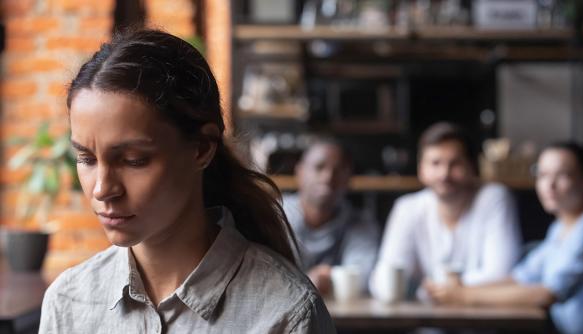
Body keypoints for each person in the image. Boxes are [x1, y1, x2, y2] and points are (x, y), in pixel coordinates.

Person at [39, 30, 335, 334]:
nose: (102, 189)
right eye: (87, 159)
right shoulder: (68, 303)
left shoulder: (286, 313)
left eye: (133, 160)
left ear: (202, 148)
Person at [427, 142, 583, 334]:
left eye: (563, 175)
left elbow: (547, 294)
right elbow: (520, 277)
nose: (549, 185)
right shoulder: (559, 228)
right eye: (542, 175)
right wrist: (456, 288)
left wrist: (464, 296)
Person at [370, 122, 522, 300]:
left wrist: (437, 288)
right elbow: (385, 276)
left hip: (486, 322)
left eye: (455, 164)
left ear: (472, 167)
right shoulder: (407, 208)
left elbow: (502, 273)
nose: (444, 174)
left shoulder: (494, 198)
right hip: (426, 323)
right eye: (435, 163)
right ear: (421, 169)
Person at [283, 137, 379, 295]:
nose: (328, 177)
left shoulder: (361, 223)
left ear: (349, 179)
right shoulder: (274, 216)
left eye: (339, 170)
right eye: (319, 167)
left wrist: (329, 278)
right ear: (299, 172)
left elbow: (364, 277)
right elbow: (265, 277)